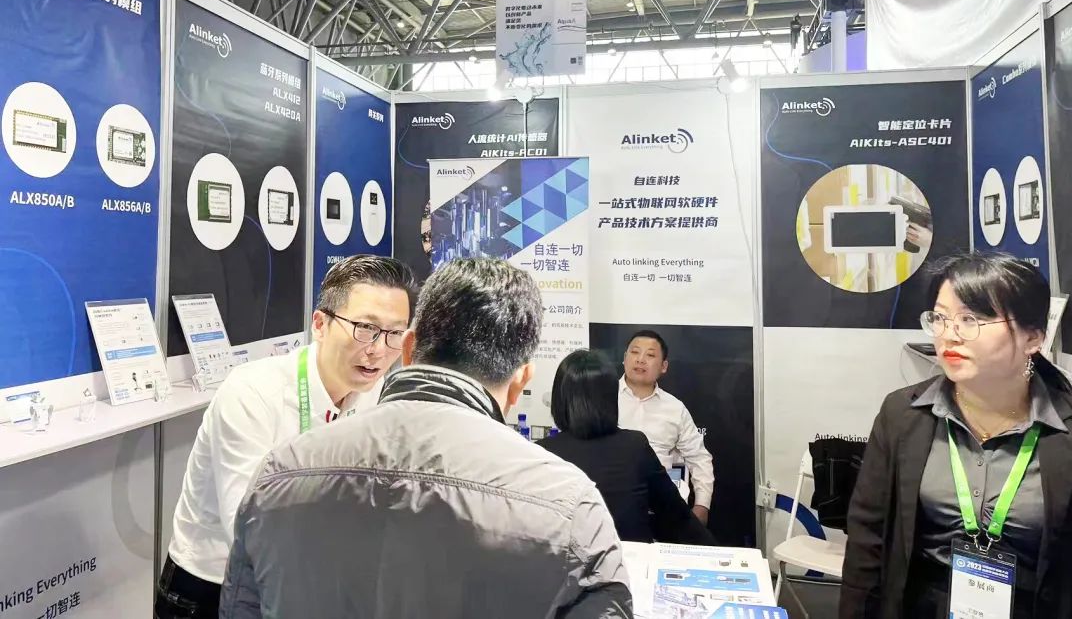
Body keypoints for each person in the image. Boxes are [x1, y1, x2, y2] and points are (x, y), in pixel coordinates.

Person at [220, 258, 632, 618]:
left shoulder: (280, 471)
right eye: (365, 327)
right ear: (521, 379)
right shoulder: (568, 505)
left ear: (408, 347)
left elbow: (242, 606)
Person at [155, 255, 416, 619]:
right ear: (320, 324)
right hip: (213, 586)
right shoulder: (253, 392)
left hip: (317, 580)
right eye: (365, 327)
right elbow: (248, 527)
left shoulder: (376, 392)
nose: (378, 349)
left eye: (394, 333)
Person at [841, 253, 1072, 619]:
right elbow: (868, 541)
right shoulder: (903, 415)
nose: (949, 334)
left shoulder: (1071, 434)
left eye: (971, 319)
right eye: (940, 317)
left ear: (1032, 337)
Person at [540, 350, 717, 546]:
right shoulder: (634, 446)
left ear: (559, 399)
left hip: (561, 563)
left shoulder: (541, 454)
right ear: (610, 398)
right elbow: (679, 519)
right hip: (629, 562)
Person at [618, 329, 714, 523]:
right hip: (612, 505)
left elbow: (699, 458)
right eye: (635, 352)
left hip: (661, 509)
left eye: (650, 355)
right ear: (624, 358)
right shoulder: (602, 399)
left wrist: (702, 505)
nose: (640, 360)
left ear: (663, 366)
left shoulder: (675, 408)